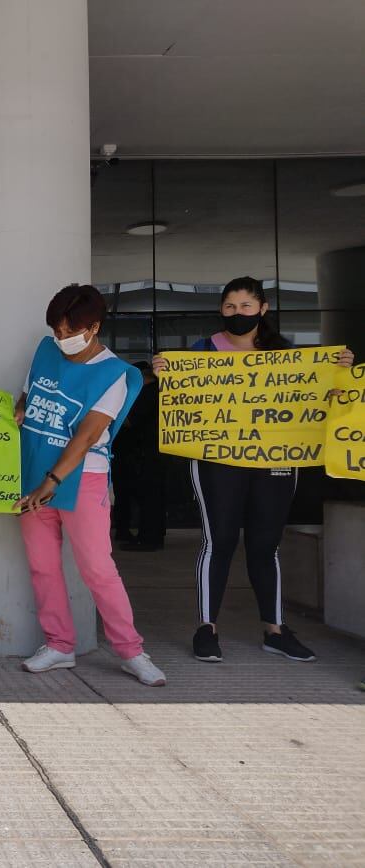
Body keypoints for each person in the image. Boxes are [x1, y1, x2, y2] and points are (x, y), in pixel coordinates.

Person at [152, 276, 355, 664]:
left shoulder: (287, 355)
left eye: (246, 306)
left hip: (275, 459)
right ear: (221, 310)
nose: (238, 313)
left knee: (265, 545)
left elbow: (321, 398)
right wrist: (167, 374)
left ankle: (275, 631)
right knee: (219, 541)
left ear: (262, 309)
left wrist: (338, 373)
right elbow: (181, 399)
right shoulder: (203, 350)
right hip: (217, 459)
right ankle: (206, 628)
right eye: (230, 306)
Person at [16, 284, 167, 687]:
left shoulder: (116, 374)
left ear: (94, 326)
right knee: (42, 566)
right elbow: (28, 396)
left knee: (98, 568)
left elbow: (86, 436)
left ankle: (132, 651)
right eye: (56, 331)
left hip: (82, 479)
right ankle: (59, 644)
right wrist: (17, 410)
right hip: (32, 473)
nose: (61, 339)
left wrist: (51, 482)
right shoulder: (45, 351)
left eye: (69, 332)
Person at [110, 361, 165, 551]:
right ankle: (148, 534)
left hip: (141, 452)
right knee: (145, 495)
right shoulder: (155, 392)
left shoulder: (148, 394)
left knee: (146, 495)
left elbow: (129, 421)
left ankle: (148, 537)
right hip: (141, 451)